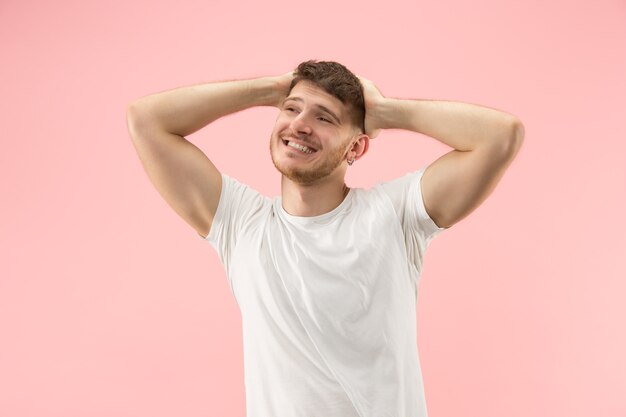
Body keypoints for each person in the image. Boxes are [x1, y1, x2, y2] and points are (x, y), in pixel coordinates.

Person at [126, 60, 524, 417]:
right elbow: (146, 120)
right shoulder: (240, 222)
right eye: (292, 109)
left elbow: (501, 135)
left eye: (325, 118)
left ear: (357, 147)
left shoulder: (394, 214)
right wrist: (269, 90)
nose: (300, 124)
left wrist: (387, 111)